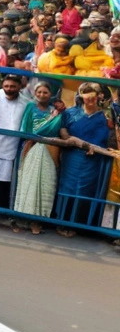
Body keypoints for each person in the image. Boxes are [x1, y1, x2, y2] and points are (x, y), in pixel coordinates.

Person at [55, 83, 116, 232]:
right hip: (72, 158)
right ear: (81, 96)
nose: (90, 98)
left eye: (93, 94)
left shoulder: (105, 116)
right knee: (67, 187)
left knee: (86, 190)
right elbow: (63, 131)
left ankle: (80, 224)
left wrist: (96, 148)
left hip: (94, 160)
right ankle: (62, 222)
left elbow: (108, 138)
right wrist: (71, 139)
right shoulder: (70, 113)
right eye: (86, 94)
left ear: (99, 96)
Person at [12, 81, 64, 234]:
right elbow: (25, 129)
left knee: (45, 184)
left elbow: (56, 131)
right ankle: (23, 218)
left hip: (49, 150)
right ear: (35, 93)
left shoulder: (54, 111)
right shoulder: (30, 107)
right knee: (29, 183)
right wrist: (36, 139)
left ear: (50, 94)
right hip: (32, 148)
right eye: (39, 92)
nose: (42, 95)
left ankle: (38, 221)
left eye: (45, 92)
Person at [0, 74, 29, 210]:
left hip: (12, 147)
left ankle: (1, 210)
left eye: (13, 86)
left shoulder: (26, 102)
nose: (9, 89)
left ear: (20, 87)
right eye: (6, 86)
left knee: (6, 180)